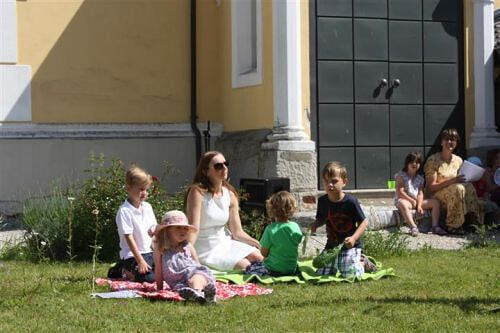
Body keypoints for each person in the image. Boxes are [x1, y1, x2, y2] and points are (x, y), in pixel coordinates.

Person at [185, 151, 263, 271]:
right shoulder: (197, 192)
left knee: (258, 257)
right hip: (206, 248)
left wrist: (257, 243)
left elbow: (237, 232)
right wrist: (186, 251)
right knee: (244, 266)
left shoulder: (230, 193)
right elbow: (193, 229)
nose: (224, 168)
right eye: (218, 166)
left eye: (225, 163)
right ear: (205, 172)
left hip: (225, 242)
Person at [310, 161, 368, 278]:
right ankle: (340, 263)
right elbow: (321, 218)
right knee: (322, 273)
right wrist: (315, 225)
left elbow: (364, 221)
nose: (330, 184)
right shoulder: (323, 201)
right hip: (332, 246)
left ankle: (363, 262)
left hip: (350, 246)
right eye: (326, 181)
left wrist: (354, 238)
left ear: (344, 182)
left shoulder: (350, 202)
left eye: (334, 181)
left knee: (351, 275)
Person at [424, 128, 480, 234]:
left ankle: (472, 222)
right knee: (457, 188)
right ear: (441, 142)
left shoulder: (458, 160)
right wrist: (452, 181)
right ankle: (453, 225)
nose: (450, 142)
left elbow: (462, 179)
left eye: (453, 139)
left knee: (469, 187)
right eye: (447, 139)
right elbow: (431, 187)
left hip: (455, 192)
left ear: (456, 143)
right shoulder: (433, 160)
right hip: (435, 194)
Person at [153, 210, 216, 304]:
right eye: (178, 228)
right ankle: (200, 296)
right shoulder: (160, 248)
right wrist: (159, 289)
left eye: (185, 228)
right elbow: (158, 270)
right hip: (178, 282)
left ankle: (199, 293)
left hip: (194, 274)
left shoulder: (188, 246)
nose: (183, 231)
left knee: (196, 278)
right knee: (185, 289)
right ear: (167, 230)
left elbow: (197, 264)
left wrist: (202, 276)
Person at [245, 191, 303, 277]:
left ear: (271, 209)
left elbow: (264, 253)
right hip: (291, 269)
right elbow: (298, 241)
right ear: (292, 208)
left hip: (273, 270)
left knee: (250, 268)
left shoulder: (270, 229)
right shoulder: (295, 227)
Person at [115, 165, 157, 282]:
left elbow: (153, 229)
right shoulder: (124, 211)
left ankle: (134, 271)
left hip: (149, 252)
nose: (144, 193)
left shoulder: (148, 207)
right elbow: (129, 237)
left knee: (166, 271)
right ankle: (123, 269)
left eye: (146, 190)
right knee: (148, 278)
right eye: (141, 189)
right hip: (132, 255)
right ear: (128, 188)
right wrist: (140, 261)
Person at [394, 152, 445, 236]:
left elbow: (420, 193)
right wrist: (411, 200)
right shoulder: (401, 175)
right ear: (407, 163)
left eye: (417, 162)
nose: (414, 164)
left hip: (416, 201)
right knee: (401, 203)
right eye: (412, 162)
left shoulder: (420, 178)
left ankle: (435, 226)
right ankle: (413, 227)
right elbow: (400, 192)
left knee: (435, 203)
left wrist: (419, 205)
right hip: (406, 200)